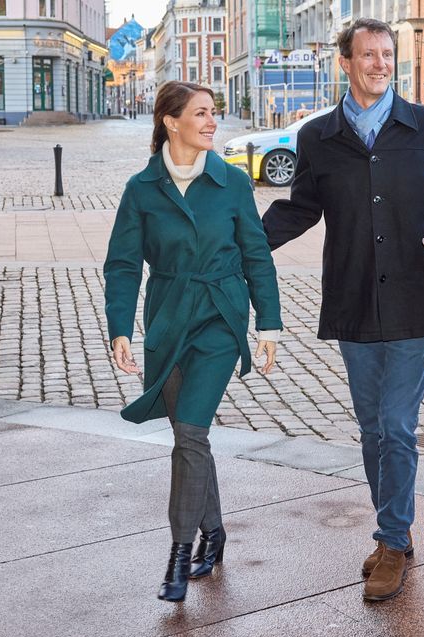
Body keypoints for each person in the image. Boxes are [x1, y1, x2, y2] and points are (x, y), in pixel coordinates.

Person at [261, 18, 424, 602]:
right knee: (372, 427)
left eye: (387, 54)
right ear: (345, 63)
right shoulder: (318, 137)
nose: (380, 63)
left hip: (414, 294)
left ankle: (392, 538)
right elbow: (301, 207)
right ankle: (394, 534)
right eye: (368, 55)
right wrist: (240, 245)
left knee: (399, 426)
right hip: (353, 294)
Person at [104, 80, 282, 603]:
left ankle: (180, 553)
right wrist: (120, 327)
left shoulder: (230, 182)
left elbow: (257, 257)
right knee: (192, 437)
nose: (212, 122)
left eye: (214, 113)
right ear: (170, 121)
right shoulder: (142, 188)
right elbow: (122, 264)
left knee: (188, 432)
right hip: (167, 321)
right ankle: (216, 531)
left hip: (220, 320)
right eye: (201, 113)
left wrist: (267, 325)